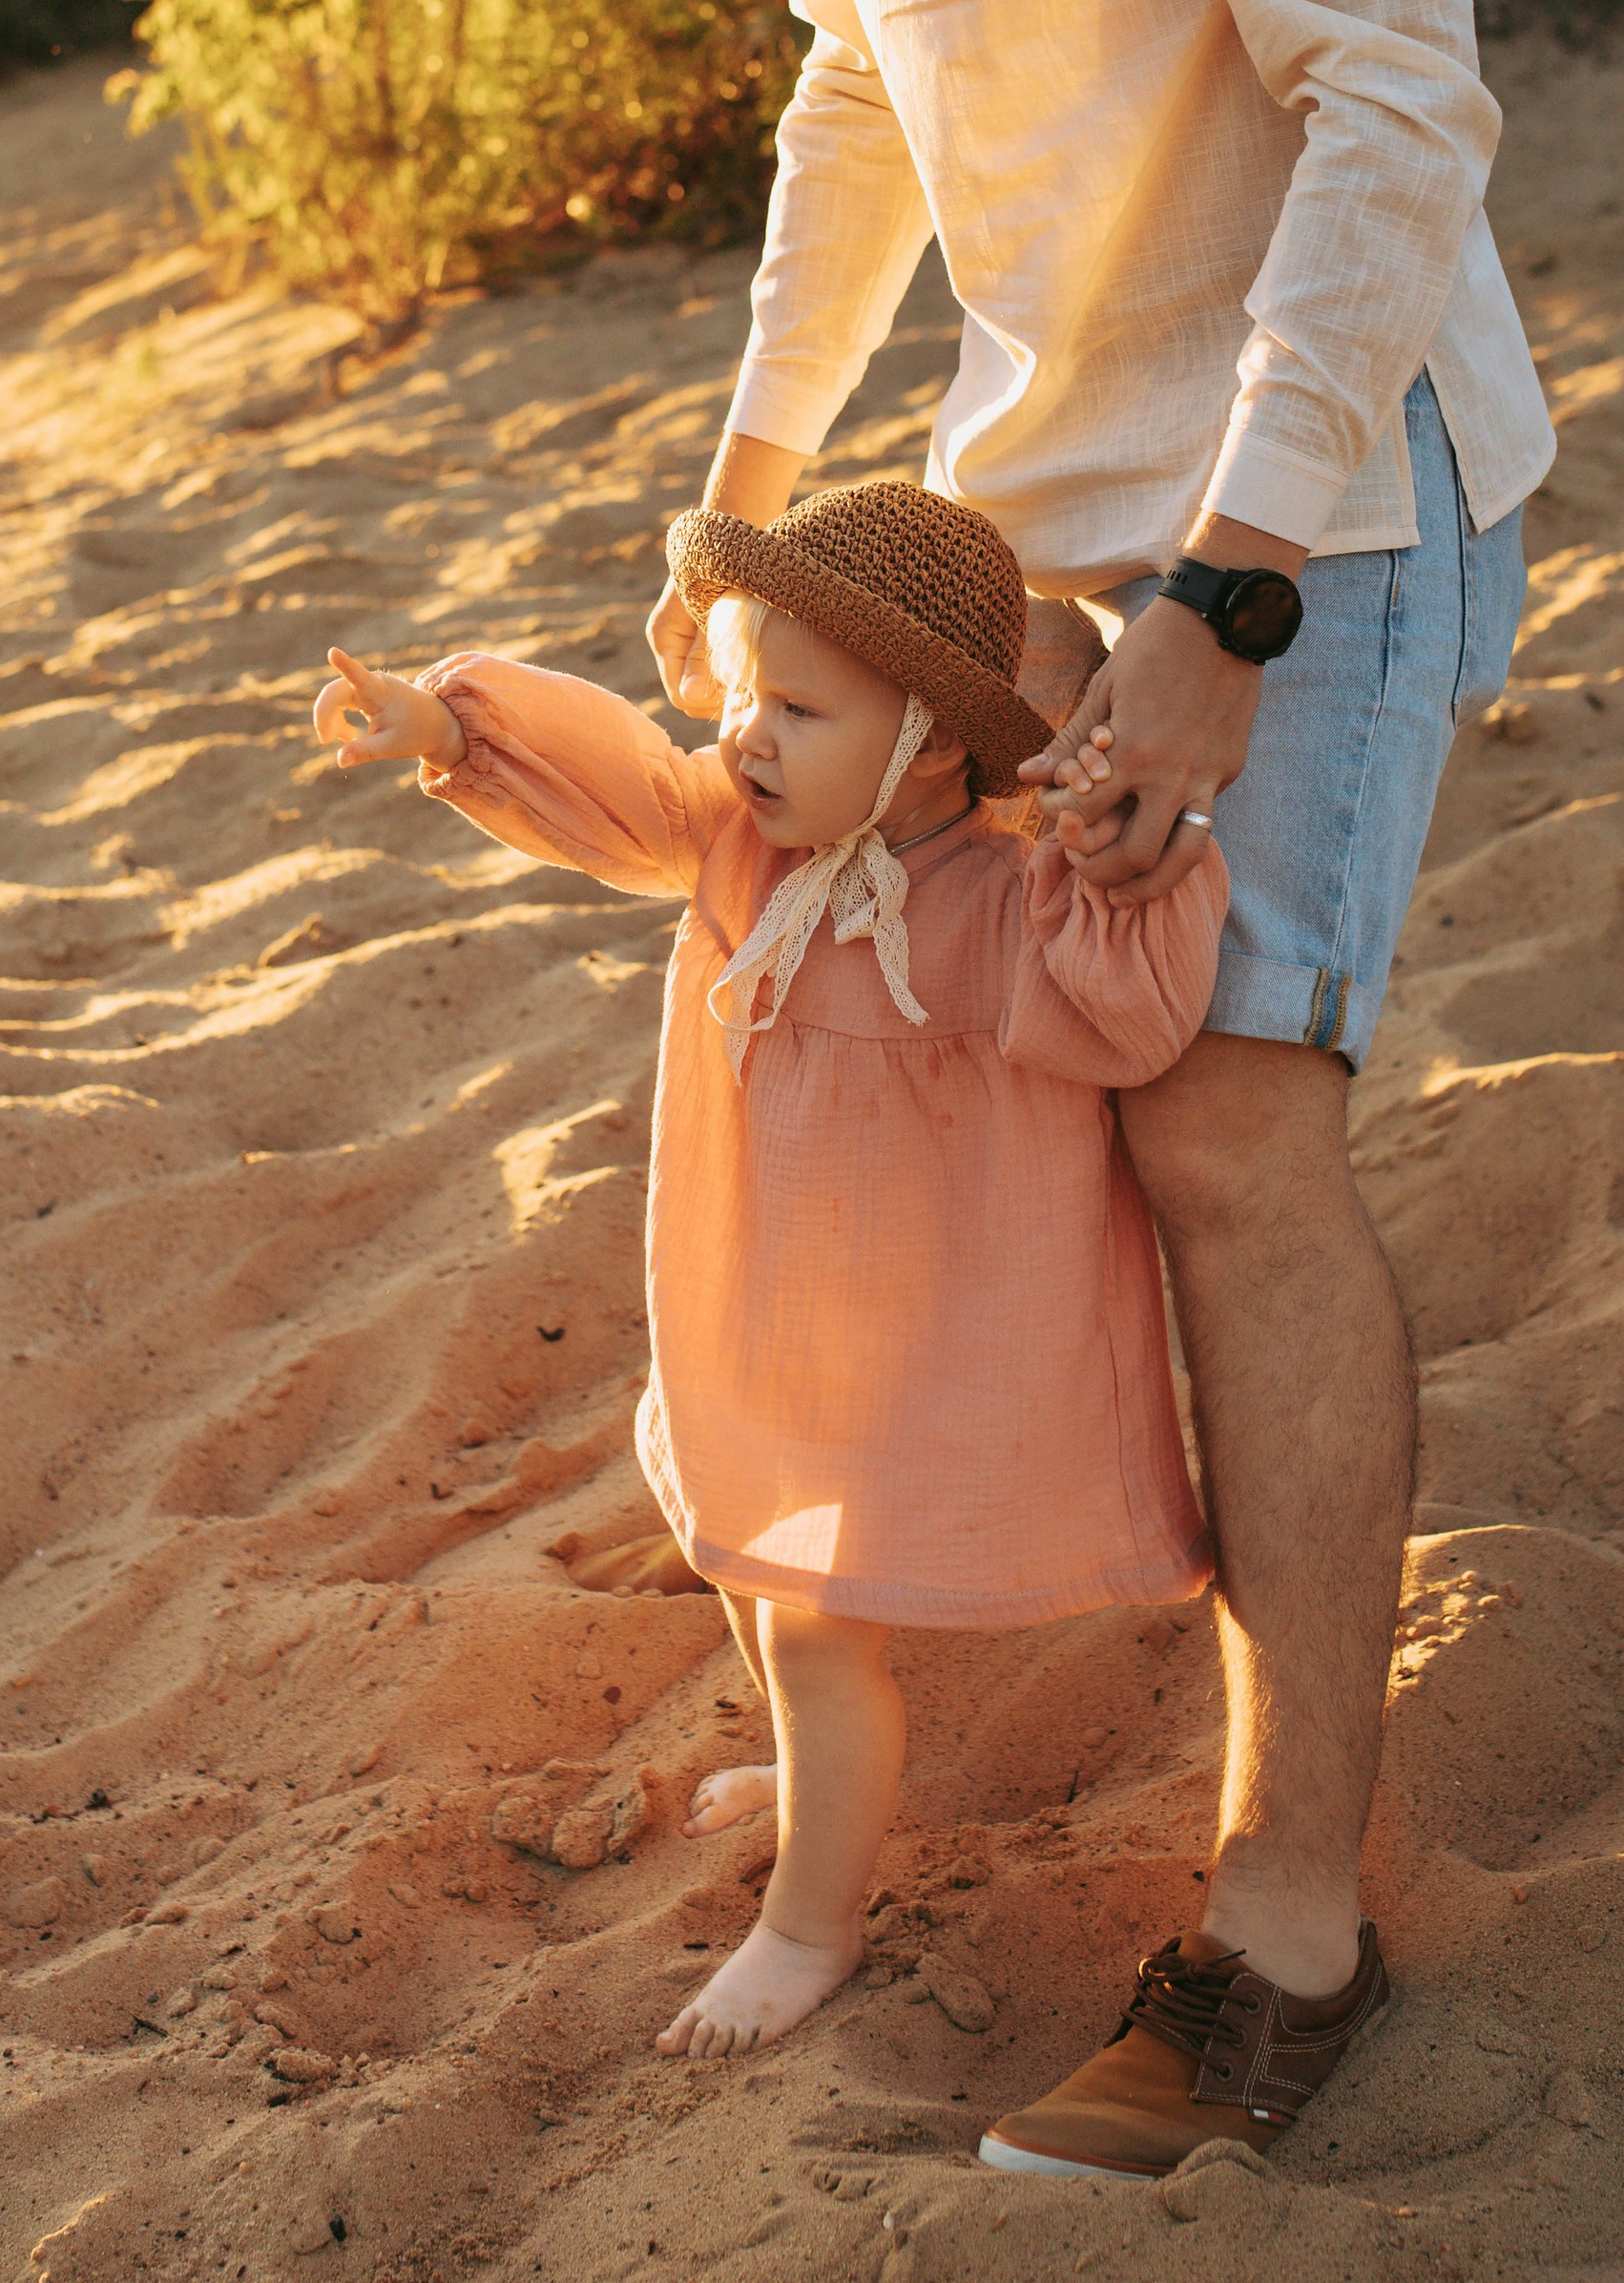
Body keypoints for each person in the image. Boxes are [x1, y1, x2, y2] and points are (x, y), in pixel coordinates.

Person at [588, 0, 1556, 2175]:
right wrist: (746, 495)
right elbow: (864, 86)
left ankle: (1285, 1928)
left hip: (1332, 474)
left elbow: (1399, 104)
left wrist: (1232, 594)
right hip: (1041, 484)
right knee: (1039, 1125)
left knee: (1236, 1137)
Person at [311, 476, 1225, 2061]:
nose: (746, 736)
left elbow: (1132, 1013)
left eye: (797, 708)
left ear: (936, 740)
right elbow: (621, 780)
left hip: (923, 1332)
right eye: (744, 690)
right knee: (751, 1562)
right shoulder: (735, 841)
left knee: (816, 1628)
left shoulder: (1005, 901)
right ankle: (821, 1792)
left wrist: (1105, 847)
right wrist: (450, 730)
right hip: (768, 1306)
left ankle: (813, 1923)